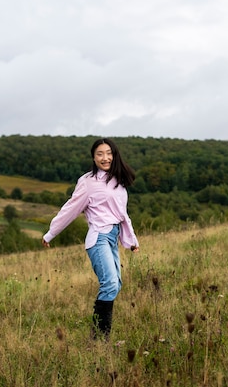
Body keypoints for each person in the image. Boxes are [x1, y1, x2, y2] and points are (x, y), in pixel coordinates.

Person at [42, 138, 140, 340]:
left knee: (116, 284)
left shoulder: (117, 181)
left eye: (108, 153)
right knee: (110, 284)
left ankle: (99, 337)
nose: (105, 158)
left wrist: (131, 241)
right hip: (99, 238)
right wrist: (51, 232)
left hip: (112, 237)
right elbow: (71, 208)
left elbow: (122, 214)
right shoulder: (88, 182)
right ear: (93, 158)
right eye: (100, 154)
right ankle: (98, 339)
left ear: (114, 154)